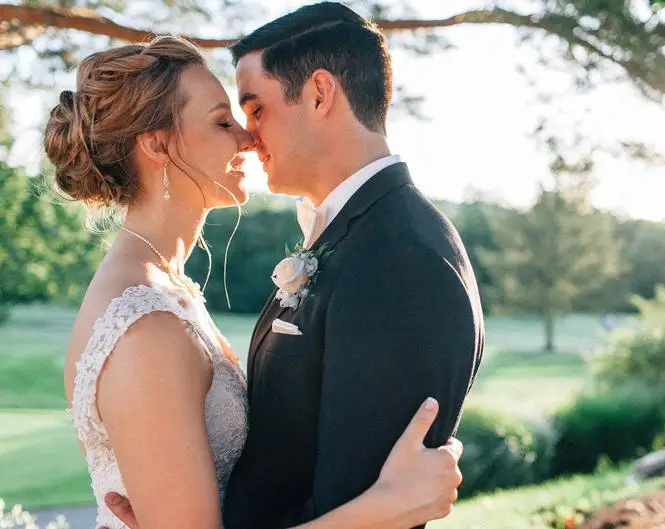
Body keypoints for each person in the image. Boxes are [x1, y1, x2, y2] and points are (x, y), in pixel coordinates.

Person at [50, 35, 463, 529]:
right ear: (157, 144)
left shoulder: (165, 290)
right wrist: (389, 507)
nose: (247, 139)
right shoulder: (146, 329)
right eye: (222, 122)